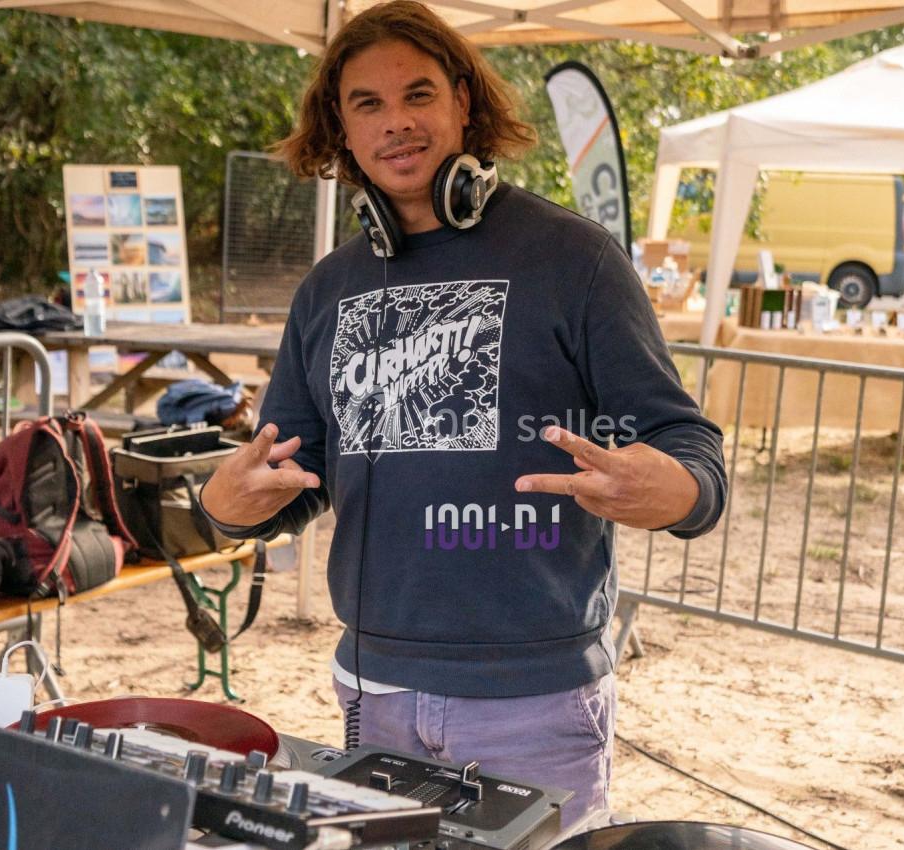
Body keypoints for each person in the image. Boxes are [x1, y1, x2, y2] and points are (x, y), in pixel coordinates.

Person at [200, 0, 727, 831]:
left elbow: (686, 443)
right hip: (375, 693)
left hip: (536, 703)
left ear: (464, 103)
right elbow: (291, 476)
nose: (395, 123)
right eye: (366, 104)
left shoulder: (575, 259)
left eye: (418, 95)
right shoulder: (329, 289)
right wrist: (225, 510)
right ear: (340, 129)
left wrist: (683, 491)